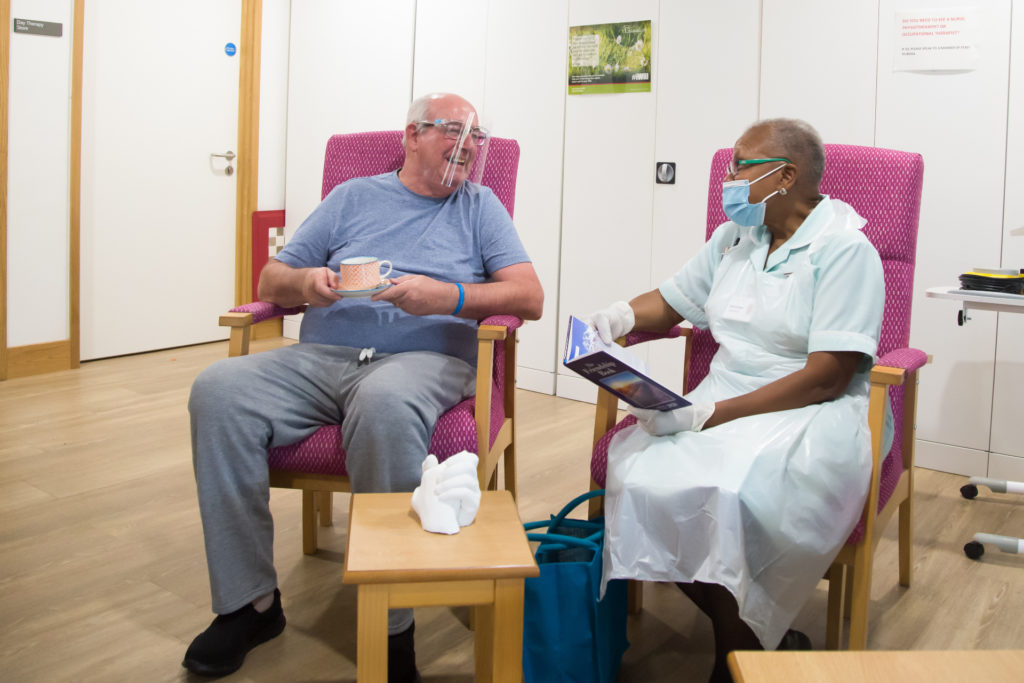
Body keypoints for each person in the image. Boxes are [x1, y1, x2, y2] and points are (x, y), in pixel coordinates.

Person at [183, 92, 543, 680]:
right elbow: (270, 278)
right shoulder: (352, 197)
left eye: (477, 136)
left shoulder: (481, 208)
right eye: (454, 130)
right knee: (218, 389)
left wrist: (446, 297)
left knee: (383, 401)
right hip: (323, 356)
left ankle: (394, 626)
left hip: (424, 361)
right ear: (412, 134)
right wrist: (307, 282)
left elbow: (529, 297)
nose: (469, 146)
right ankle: (249, 604)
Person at [586, 118, 886, 683]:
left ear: (785, 175)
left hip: (811, 411)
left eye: (740, 166)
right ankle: (747, 641)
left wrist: (709, 417)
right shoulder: (736, 237)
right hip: (723, 392)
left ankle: (738, 654)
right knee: (639, 476)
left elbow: (829, 375)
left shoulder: (846, 249)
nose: (727, 179)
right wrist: (620, 315)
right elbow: (673, 300)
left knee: (733, 490)